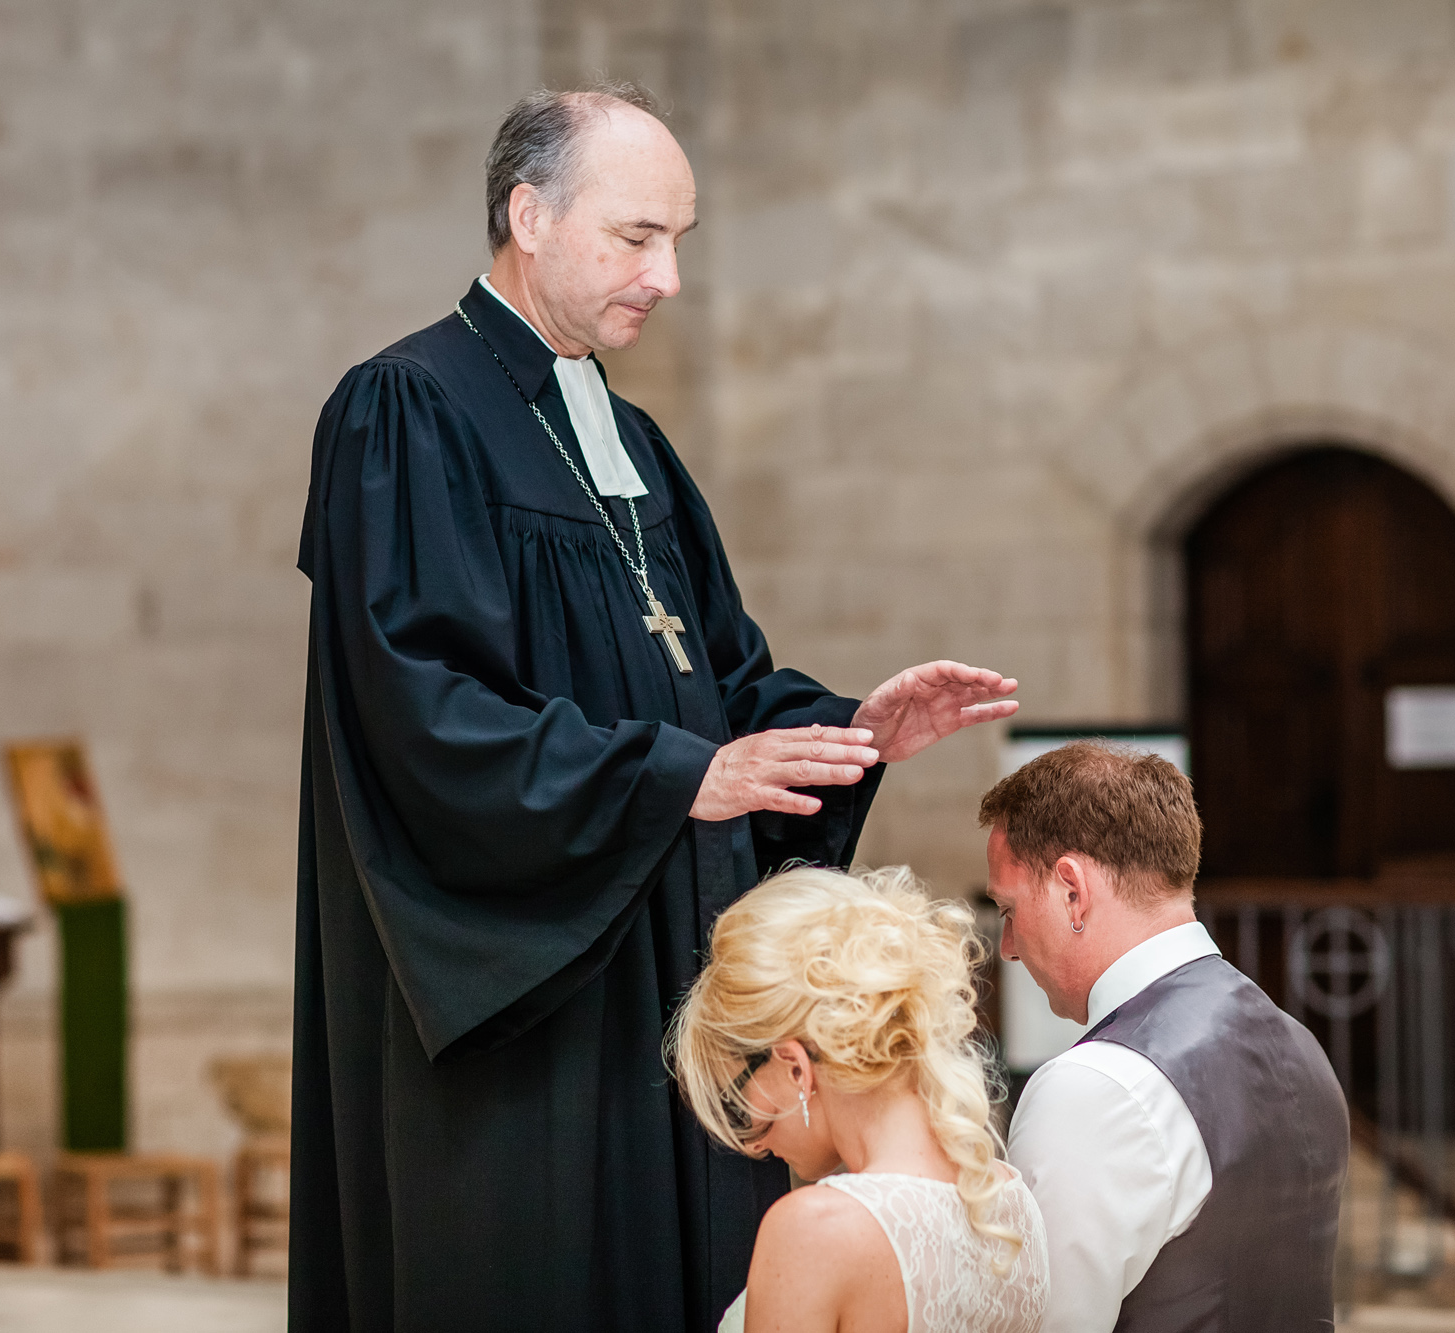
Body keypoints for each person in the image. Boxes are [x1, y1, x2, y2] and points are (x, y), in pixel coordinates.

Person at [291, 82, 1018, 1333]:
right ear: (529, 215)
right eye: (637, 238)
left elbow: (720, 677)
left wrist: (850, 731)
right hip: (533, 989)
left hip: (665, 959)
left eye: (679, 240)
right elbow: (420, 708)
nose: (667, 277)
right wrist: (672, 778)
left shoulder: (624, 436)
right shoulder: (407, 410)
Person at [982, 742, 1350, 1332]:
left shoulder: (1093, 1087)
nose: (1009, 946)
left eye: (1008, 909)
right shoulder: (1299, 1045)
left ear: (1072, 891)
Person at [669, 864, 1050, 1333]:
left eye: (738, 1105)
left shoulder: (816, 1229)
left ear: (794, 1065)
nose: (754, 1145)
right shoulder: (1012, 1203)